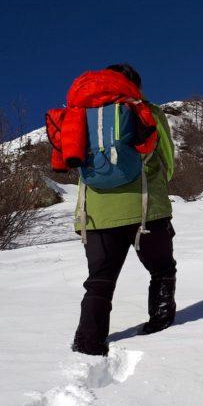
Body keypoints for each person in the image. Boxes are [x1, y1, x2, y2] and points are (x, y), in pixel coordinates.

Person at [68, 63, 178, 354]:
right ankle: (161, 324)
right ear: (135, 86)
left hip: (96, 216)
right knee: (163, 269)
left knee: (100, 281)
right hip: (146, 211)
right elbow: (166, 157)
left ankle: (88, 343)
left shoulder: (78, 115)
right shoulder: (148, 112)